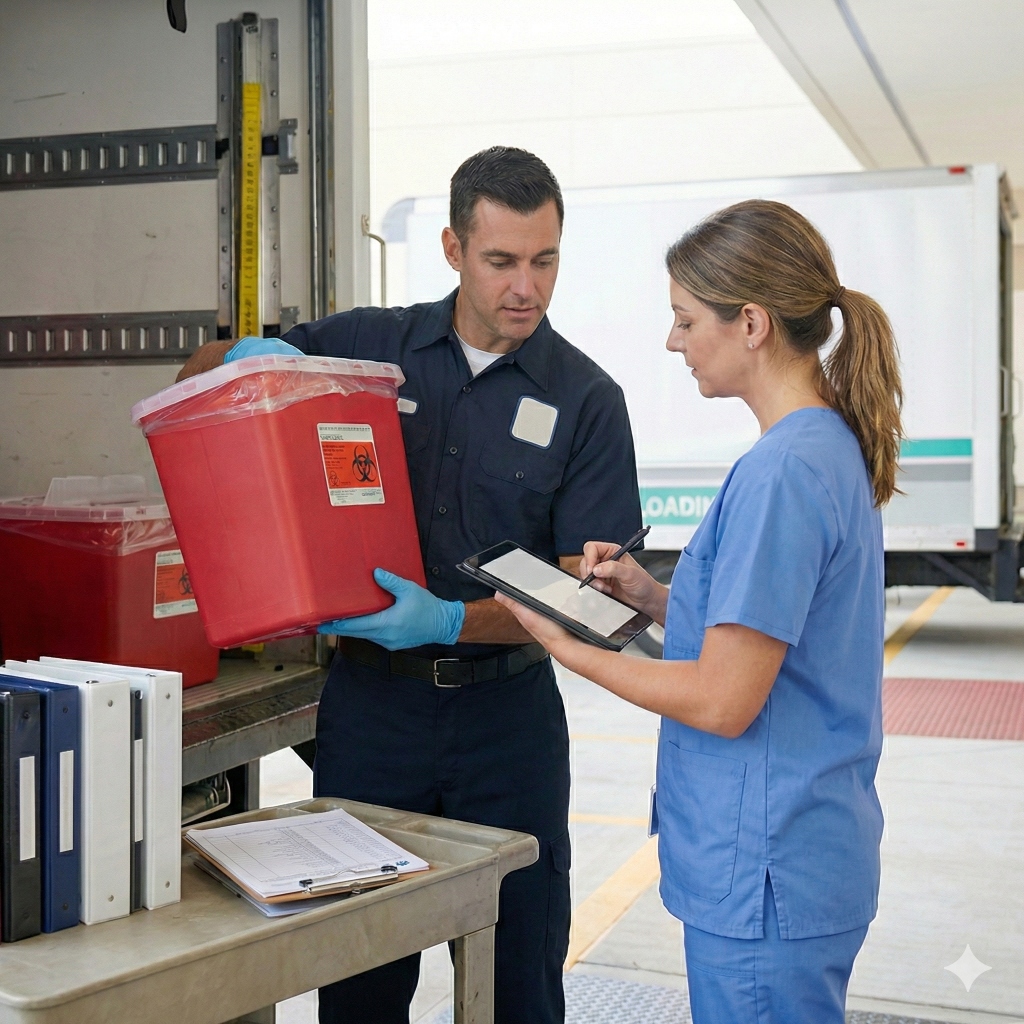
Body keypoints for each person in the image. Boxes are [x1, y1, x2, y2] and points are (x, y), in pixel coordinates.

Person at [175, 146, 642, 1024]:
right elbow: (194, 381)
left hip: (509, 727)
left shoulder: (587, 400)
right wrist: (236, 363)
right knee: (358, 976)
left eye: (545, 261)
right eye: (502, 260)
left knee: (521, 973)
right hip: (371, 715)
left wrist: (448, 622)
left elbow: (592, 607)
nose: (526, 287)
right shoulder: (364, 347)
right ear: (452, 249)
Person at [496, 199, 902, 1024]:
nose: (673, 342)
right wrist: (653, 600)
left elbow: (724, 699)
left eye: (685, 320)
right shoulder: (821, 448)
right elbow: (779, 632)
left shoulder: (780, 473)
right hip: (800, 850)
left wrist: (562, 643)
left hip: (765, 866)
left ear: (750, 322)